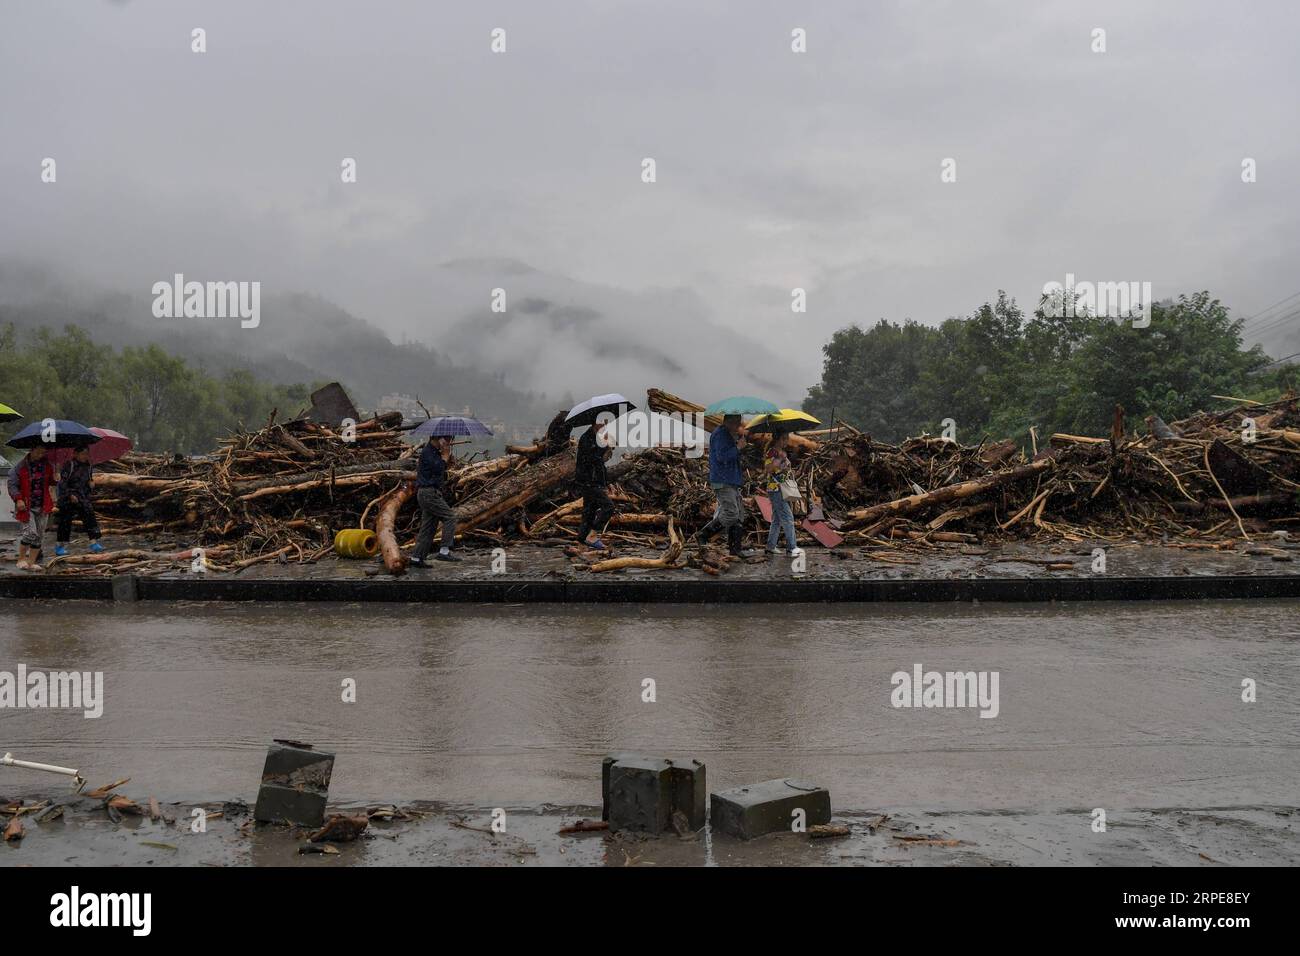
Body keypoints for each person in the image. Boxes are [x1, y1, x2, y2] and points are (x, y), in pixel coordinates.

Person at [695, 414, 755, 557]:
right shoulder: (720, 435)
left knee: (739, 514)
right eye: (736, 423)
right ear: (728, 422)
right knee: (731, 513)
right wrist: (738, 448)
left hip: (731, 480)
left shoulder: (727, 434)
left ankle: (735, 549)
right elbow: (722, 457)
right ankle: (703, 534)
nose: (738, 427)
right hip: (723, 480)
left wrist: (738, 446)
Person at [408, 434, 460, 566]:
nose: (449, 442)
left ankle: (416, 558)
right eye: (448, 439)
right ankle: (444, 551)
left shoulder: (434, 452)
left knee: (428, 527)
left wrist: (444, 456)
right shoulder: (428, 452)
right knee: (450, 517)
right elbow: (438, 468)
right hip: (428, 493)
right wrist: (446, 455)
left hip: (429, 492)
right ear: (439, 439)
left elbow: (439, 472)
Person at [8, 445, 55, 570]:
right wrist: (18, 499)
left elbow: (51, 481)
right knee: (30, 533)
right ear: (31, 450)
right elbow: (12, 484)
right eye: (39, 452)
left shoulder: (47, 465)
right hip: (26, 505)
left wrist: (56, 479)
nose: (41, 455)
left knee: (39, 535)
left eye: (43, 453)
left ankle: (31, 562)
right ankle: (21, 559)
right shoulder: (20, 466)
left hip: (43, 505)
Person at [55, 446, 104, 557]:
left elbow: (88, 484)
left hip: (81, 497)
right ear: (75, 454)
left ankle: (94, 543)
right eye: (82, 454)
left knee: (90, 517)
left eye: (87, 454)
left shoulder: (88, 467)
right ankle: (60, 546)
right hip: (68, 499)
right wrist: (70, 495)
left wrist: (91, 485)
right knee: (65, 522)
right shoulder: (69, 465)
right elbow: (62, 483)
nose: (85, 456)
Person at [574, 419, 615, 550]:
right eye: (603, 423)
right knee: (608, 506)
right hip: (588, 481)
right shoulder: (587, 438)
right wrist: (605, 446)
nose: (605, 425)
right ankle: (592, 535)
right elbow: (592, 459)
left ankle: (581, 541)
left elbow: (601, 464)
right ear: (595, 423)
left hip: (595, 480)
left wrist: (606, 482)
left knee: (589, 511)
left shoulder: (596, 437)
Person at [762, 432, 803, 557]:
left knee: (777, 519)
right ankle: (791, 547)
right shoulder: (772, 452)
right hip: (776, 489)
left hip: (781, 488)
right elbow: (768, 469)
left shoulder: (781, 452)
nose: (787, 442)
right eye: (785, 439)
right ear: (778, 439)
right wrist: (780, 459)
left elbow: (783, 469)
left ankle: (770, 546)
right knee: (788, 518)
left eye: (787, 439)